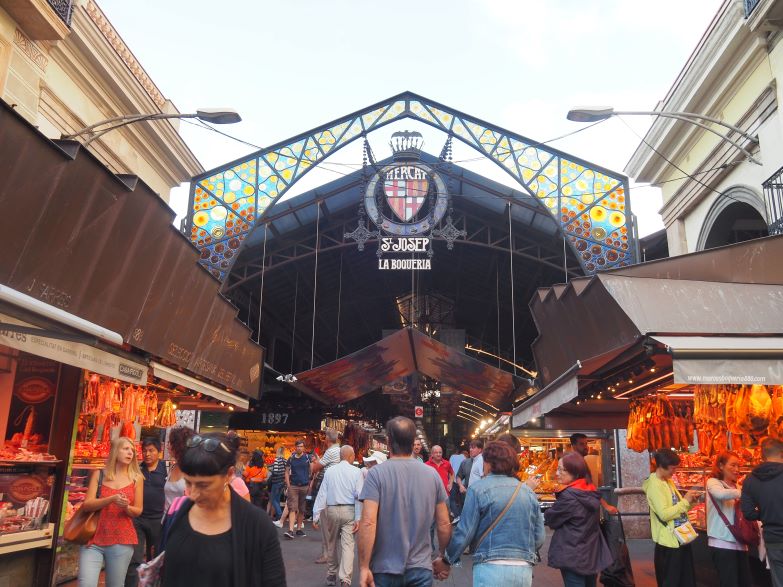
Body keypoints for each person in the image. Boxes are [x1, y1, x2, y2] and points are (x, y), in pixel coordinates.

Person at [160, 432, 286, 586]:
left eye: (203, 485)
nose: (192, 494)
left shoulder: (257, 525)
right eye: (188, 482)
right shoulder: (178, 512)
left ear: (229, 474)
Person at [435, 441, 545, 587]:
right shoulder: (527, 492)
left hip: (489, 566)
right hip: (523, 570)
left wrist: (446, 560)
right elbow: (539, 537)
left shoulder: (478, 489)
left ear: (488, 463)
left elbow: (465, 532)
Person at [358, 416, 451, 587]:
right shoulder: (432, 475)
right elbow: (444, 523)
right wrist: (442, 556)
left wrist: (364, 566)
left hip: (384, 568)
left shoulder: (376, 474)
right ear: (412, 442)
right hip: (421, 568)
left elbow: (368, 522)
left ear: (388, 441)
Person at [78, 437, 144, 587]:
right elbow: (87, 505)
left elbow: (138, 510)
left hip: (122, 540)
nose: (130, 453)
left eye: (132, 450)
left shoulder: (136, 478)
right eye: (125, 449)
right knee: (85, 584)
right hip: (93, 538)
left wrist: (126, 507)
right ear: (115, 451)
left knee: (115, 585)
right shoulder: (99, 474)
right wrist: (110, 499)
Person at [544, 452, 613, 587]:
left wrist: (549, 511)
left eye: (561, 469)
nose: (557, 473)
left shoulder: (570, 496)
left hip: (572, 553)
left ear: (575, 472)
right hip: (591, 552)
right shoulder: (590, 490)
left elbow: (551, 519)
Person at [643, 449, 700, 587]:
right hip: (669, 541)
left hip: (679, 538)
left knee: (683, 579)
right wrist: (686, 501)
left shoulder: (667, 481)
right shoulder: (655, 485)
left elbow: (677, 507)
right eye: (673, 468)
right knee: (673, 580)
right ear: (662, 466)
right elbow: (664, 514)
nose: (674, 472)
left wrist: (691, 501)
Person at [313, 445, 364, 587]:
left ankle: (331, 574)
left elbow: (322, 493)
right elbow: (359, 497)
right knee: (348, 545)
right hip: (349, 511)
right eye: (353, 454)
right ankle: (345, 579)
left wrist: (316, 515)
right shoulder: (356, 472)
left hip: (332, 511)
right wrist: (358, 518)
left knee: (332, 543)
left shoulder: (330, 471)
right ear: (350, 456)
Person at [741, 436, 783, 587]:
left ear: (762, 456)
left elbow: (748, 513)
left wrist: (765, 513)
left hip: (773, 539)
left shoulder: (750, 479)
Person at [125, 437, 167, 587]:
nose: (147, 454)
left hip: (158, 521)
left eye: (151, 450)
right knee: (134, 558)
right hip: (138, 519)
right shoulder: (137, 469)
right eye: (145, 451)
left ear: (159, 452)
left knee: (154, 558)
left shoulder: (166, 470)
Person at [706, 451, 750, 587]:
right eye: (733, 465)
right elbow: (720, 494)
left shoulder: (737, 486)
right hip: (722, 542)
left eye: (738, 466)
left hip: (740, 541)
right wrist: (747, 492)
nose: (737, 470)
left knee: (744, 582)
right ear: (721, 466)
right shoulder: (713, 482)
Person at [564, 433, 618, 515]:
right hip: (580, 510)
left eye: (586, 443)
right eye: (581, 444)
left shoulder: (580, 460)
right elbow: (590, 486)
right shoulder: (576, 463)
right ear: (573, 446)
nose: (585, 447)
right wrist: (606, 506)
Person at [312, 428, 342, 563]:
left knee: (325, 524)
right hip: (337, 491)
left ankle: (327, 554)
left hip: (328, 491)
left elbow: (315, 468)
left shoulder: (331, 451)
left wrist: (315, 462)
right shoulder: (340, 450)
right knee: (332, 526)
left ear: (328, 439)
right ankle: (330, 553)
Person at [426, 445, 454, 552]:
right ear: (432, 454)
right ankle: (430, 547)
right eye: (436, 452)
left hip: (445, 496)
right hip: (431, 497)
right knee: (431, 524)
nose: (438, 454)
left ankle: (446, 547)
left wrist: (451, 483)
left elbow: (452, 474)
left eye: (440, 452)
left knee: (445, 523)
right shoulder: (426, 465)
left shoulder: (447, 463)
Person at [284, 439, 311, 540]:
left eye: (301, 446)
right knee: (292, 507)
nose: (299, 448)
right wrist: (288, 485)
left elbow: (311, 471)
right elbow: (286, 472)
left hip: (304, 486)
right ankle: (291, 530)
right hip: (294, 486)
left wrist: (310, 484)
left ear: (304, 448)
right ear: (295, 447)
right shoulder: (291, 458)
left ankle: (299, 529)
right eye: (298, 446)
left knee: (302, 508)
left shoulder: (307, 458)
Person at [165, 427, 195, 513]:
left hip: (183, 519)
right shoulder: (173, 467)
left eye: (170, 443)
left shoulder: (193, 469)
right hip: (167, 519)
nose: (167, 446)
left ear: (178, 445)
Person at [267, 447, 287, 521]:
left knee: (272, 499)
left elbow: (275, 472)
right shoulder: (285, 460)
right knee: (277, 499)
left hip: (276, 482)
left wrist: (269, 467)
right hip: (282, 482)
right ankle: (279, 517)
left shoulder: (276, 460)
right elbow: (287, 470)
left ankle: (280, 514)